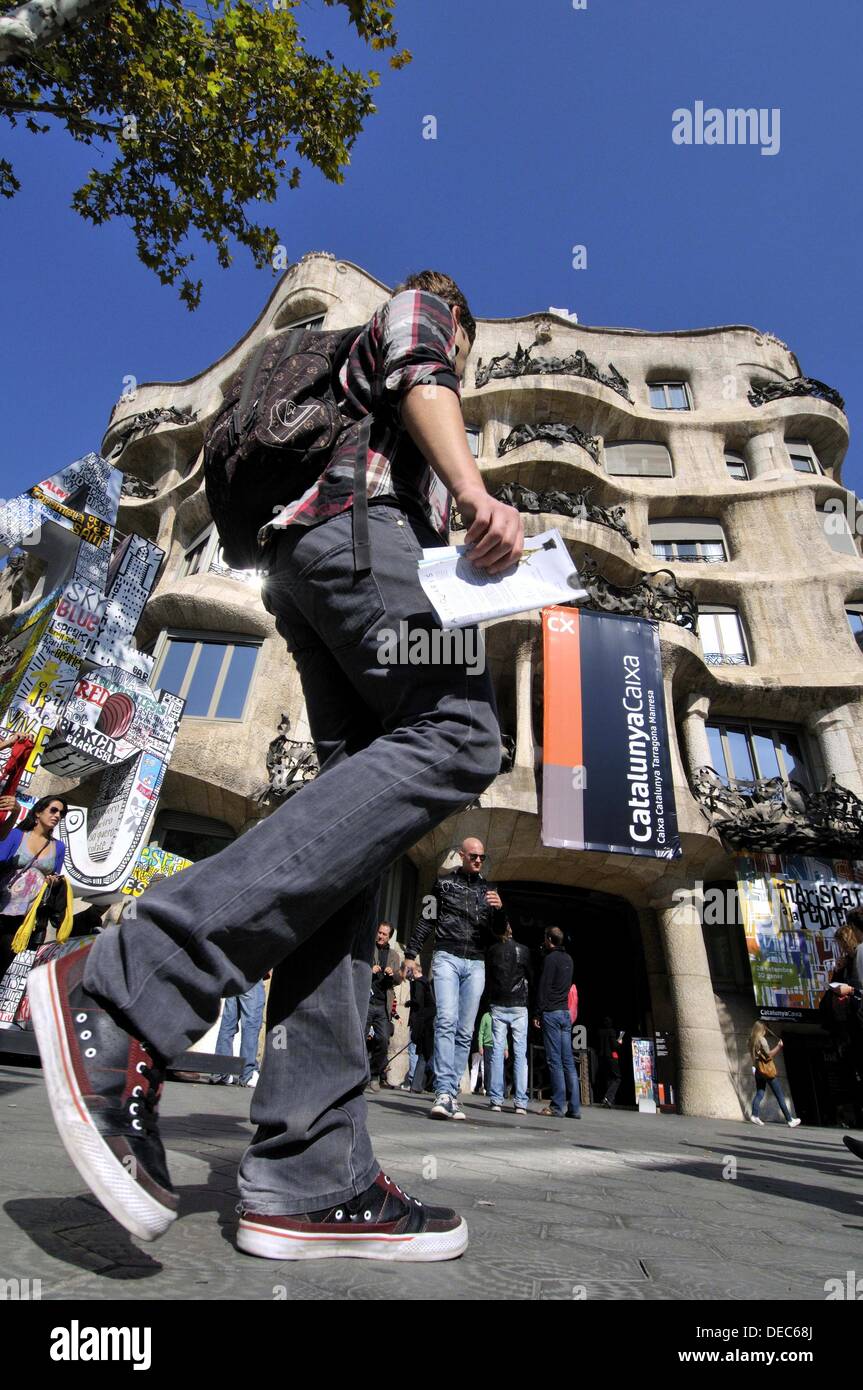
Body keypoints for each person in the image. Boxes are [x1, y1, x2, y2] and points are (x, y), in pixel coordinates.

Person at [27, 270, 523, 1263]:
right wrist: (470, 493)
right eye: (472, 350)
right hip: (351, 542)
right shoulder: (422, 312)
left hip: (309, 576)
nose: (463, 361)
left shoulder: (324, 375)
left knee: (342, 868)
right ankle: (128, 982)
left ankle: (311, 1173)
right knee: (463, 727)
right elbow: (420, 359)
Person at [404, 836, 507, 1121]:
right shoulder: (443, 883)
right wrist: (411, 953)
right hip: (447, 956)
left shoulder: (490, 890)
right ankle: (442, 1092)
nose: (477, 860)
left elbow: (499, 932)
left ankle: (452, 1093)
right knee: (446, 1020)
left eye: (481, 857)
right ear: (461, 855)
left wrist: (500, 910)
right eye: (473, 856)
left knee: (465, 1030)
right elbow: (426, 919)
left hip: (476, 962)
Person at [0, 794, 69, 977]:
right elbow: (1, 856)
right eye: (53, 810)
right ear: (38, 812)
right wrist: (13, 816)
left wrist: (53, 882)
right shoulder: (17, 835)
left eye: (61, 813)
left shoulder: (59, 847)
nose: (57, 816)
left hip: (23, 918)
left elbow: (55, 876)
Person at [534, 927, 581, 1118]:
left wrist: (537, 1012)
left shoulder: (550, 959)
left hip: (552, 1013)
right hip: (564, 1012)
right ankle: (575, 1107)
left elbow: (544, 987)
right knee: (568, 1060)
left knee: (554, 1060)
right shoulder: (569, 959)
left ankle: (557, 1105)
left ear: (548, 940)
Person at [485, 921, 531, 1114]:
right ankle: (520, 1101)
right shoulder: (524, 950)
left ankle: (496, 1098)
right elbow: (530, 975)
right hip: (519, 1003)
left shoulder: (493, 950)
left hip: (498, 1003)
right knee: (520, 1053)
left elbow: (489, 976)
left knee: (497, 1051)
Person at [365, 921, 403, 1092]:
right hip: (366, 1001)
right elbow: (355, 967)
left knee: (382, 1040)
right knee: (360, 1039)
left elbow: (399, 979)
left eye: (384, 934)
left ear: (389, 937)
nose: (380, 936)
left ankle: (374, 1074)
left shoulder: (394, 956)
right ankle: (359, 1076)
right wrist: (369, 969)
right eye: (379, 932)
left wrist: (392, 973)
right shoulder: (366, 948)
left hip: (382, 1005)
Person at [212, 978, 267, 1087]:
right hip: (252, 977)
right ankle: (248, 1075)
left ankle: (221, 1072)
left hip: (234, 977)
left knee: (228, 1025)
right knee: (251, 1025)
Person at [747, 1022, 801, 1127]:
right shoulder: (762, 1040)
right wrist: (779, 1046)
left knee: (760, 1093)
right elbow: (768, 1056)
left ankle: (754, 1115)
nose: (766, 1031)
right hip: (767, 1071)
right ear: (762, 1030)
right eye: (765, 1029)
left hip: (758, 1070)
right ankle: (790, 1120)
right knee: (779, 1095)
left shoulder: (750, 1041)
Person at [404, 961, 436, 1094]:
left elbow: (418, 1004)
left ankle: (419, 1083)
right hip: (427, 1024)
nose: (405, 972)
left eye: (407, 970)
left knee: (422, 1054)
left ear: (414, 971)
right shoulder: (425, 983)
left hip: (423, 1025)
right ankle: (418, 1084)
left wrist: (409, 1003)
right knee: (425, 1054)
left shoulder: (419, 983)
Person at [595, 1016, 625, 1108]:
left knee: (609, 1078)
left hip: (602, 1058)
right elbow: (615, 1046)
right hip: (612, 1057)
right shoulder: (611, 1031)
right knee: (617, 1078)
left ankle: (610, 1101)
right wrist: (620, 1038)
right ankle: (608, 1098)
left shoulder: (599, 1032)